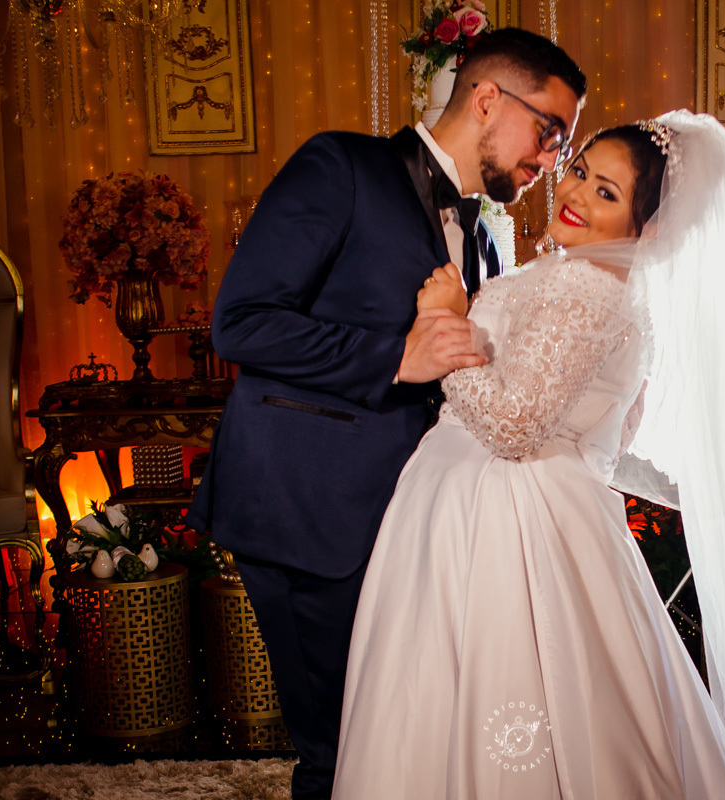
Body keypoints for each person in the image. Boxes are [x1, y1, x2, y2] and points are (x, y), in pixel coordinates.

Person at [332, 112, 725, 799]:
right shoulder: (603, 288)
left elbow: (513, 427)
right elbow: (611, 427)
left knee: (492, 692)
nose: (574, 194)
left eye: (607, 193)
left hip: (503, 521)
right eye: (579, 173)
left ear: (648, 227)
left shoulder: (589, 290)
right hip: (523, 507)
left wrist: (445, 325)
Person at [186, 29, 587, 800]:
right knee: (339, 755)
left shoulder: (480, 236)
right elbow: (240, 322)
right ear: (488, 98)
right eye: (550, 132)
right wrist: (394, 357)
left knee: (399, 748)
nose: (551, 162)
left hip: (415, 526)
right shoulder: (340, 166)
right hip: (311, 514)